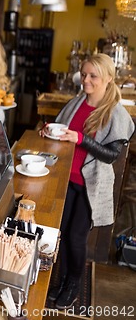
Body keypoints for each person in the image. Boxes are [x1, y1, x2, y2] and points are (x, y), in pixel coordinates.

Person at [41, 53, 134, 309]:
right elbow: (63, 130)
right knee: (59, 233)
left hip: (90, 185)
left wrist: (81, 139)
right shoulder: (77, 102)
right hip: (65, 178)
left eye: (93, 76)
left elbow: (111, 155)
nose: (86, 80)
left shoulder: (116, 113)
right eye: (84, 74)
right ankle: (60, 279)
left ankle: (73, 283)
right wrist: (49, 130)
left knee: (76, 237)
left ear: (108, 79)